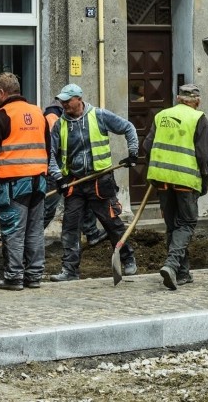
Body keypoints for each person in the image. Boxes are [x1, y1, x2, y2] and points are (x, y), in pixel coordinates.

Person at [47, 83, 139, 281]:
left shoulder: (99, 116)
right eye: (61, 101)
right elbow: (51, 155)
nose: (63, 105)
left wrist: (133, 153)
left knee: (112, 223)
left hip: (100, 181)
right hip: (74, 183)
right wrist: (59, 177)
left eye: (67, 101)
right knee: (70, 227)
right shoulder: (59, 125)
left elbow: (128, 128)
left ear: (79, 99)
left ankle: (128, 258)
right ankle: (70, 270)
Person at [0, 72, 50, 291]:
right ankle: (34, 276)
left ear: (1, 92)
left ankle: (14, 277)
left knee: (14, 230)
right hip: (39, 182)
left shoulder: (1, 116)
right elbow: (48, 145)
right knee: (35, 230)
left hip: (14, 184)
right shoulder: (38, 114)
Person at [141, 83, 208, 290]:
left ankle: (182, 273)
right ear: (197, 101)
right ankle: (172, 265)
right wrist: (204, 184)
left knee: (173, 225)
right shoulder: (199, 119)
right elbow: (205, 157)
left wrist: (154, 172)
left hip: (162, 179)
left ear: (178, 98)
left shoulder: (161, 116)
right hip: (185, 180)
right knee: (187, 223)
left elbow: (147, 146)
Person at [42, 97, 108, 247]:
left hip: (69, 170)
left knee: (86, 201)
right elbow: (52, 147)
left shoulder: (62, 114)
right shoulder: (53, 117)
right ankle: (32, 239)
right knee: (48, 208)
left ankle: (91, 233)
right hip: (54, 172)